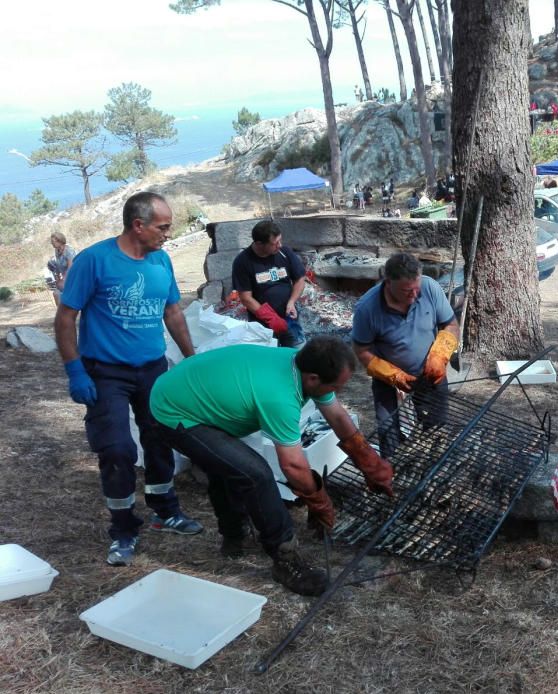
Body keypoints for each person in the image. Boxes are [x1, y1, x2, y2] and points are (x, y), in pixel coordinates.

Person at [150, 338, 393, 596]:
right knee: (256, 475)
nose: (338, 392)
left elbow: (337, 415)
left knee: (228, 468)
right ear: (313, 379)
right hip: (175, 411)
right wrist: (320, 500)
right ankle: (285, 560)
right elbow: (292, 465)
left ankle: (234, 537)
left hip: (196, 394)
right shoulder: (280, 396)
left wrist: (370, 463)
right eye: (335, 386)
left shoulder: (304, 364)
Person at [54, 192, 202, 567]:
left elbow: (172, 312)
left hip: (152, 367)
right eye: (163, 226)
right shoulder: (94, 260)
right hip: (105, 373)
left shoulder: (161, 261)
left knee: (159, 438)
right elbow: (66, 316)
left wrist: (191, 361)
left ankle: (164, 509)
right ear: (138, 225)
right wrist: (75, 371)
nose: (168, 234)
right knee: (117, 449)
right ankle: (123, 528)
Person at [351, 253, 460, 457]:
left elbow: (451, 325)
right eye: (406, 291)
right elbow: (361, 350)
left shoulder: (429, 288)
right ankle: (394, 472)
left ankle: (434, 467)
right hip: (388, 380)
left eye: (416, 287)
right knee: (388, 431)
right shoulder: (367, 309)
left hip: (431, 373)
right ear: (388, 282)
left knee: (436, 429)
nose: (415, 295)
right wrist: (394, 376)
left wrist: (440, 356)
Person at [232, 220, 307, 349]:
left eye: (280, 241)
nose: (279, 245)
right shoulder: (243, 262)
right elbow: (246, 298)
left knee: (299, 355)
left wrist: (292, 302)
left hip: (289, 318)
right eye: (274, 243)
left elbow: (300, 279)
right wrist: (270, 317)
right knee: (269, 360)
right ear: (259, 244)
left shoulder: (284, 252)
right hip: (262, 325)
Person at [46, 232, 76, 307]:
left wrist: (63, 281)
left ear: (59, 241)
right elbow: (58, 267)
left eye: (53, 242)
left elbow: (70, 268)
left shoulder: (68, 250)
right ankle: (61, 314)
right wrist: (57, 279)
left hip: (74, 278)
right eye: (51, 242)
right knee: (56, 293)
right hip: (65, 279)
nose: (52, 244)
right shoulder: (57, 251)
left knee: (59, 292)